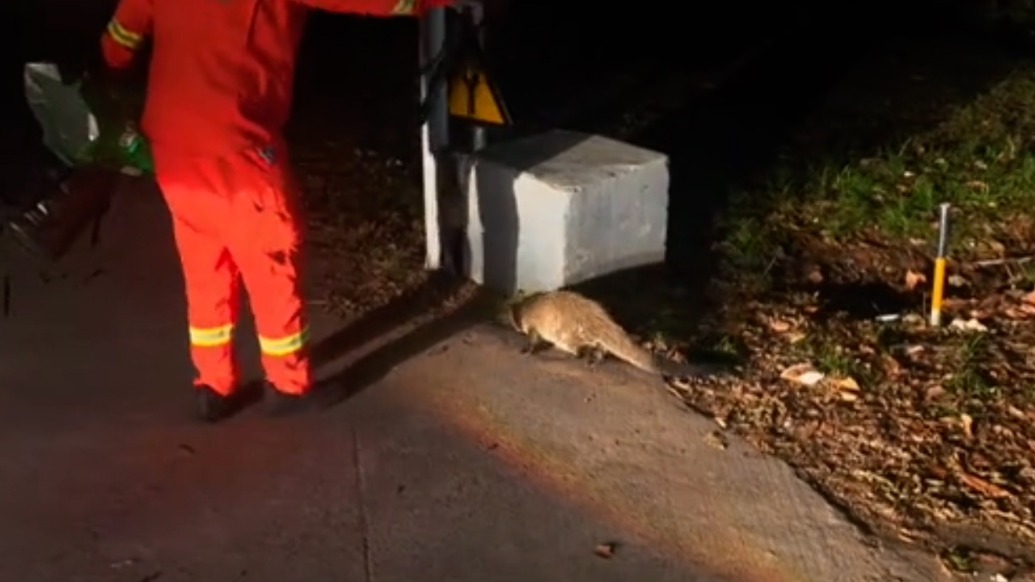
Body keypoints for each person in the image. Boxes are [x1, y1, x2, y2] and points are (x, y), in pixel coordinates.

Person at [97, 0, 456, 422]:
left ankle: (213, 385)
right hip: (236, 144)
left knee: (205, 264)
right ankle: (288, 385)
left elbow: (116, 46)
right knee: (272, 261)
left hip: (172, 144)